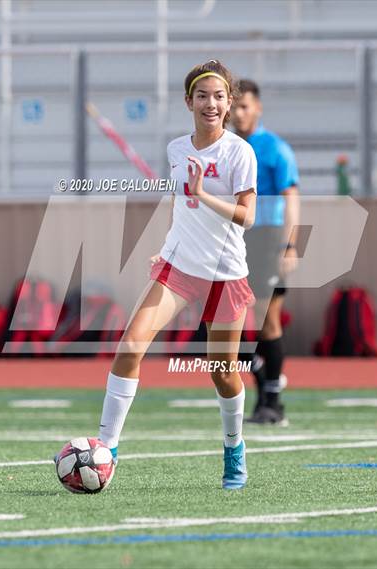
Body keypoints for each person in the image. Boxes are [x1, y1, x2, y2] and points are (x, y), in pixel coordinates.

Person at [97, 60, 257, 489]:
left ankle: (234, 448)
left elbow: (246, 216)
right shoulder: (175, 149)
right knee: (130, 345)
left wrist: (203, 193)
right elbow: (177, 205)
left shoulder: (239, 151)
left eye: (219, 96)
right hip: (180, 269)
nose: (211, 103)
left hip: (226, 276)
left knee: (221, 371)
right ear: (189, 101)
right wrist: (165, 249)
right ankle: (106, 451)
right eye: (202, 95)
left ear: (229, 103)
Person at [231, 79, 300, 425]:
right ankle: (265, 392)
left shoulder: (275, 148)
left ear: (257, 108)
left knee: (265, 321)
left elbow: (291, 199)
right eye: (234, 106)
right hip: (232, 240)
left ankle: (272, 400)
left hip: (268, 238)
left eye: (245, 106)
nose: (238, 113)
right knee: (237, 324)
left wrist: (289, 244)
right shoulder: (222, 147)